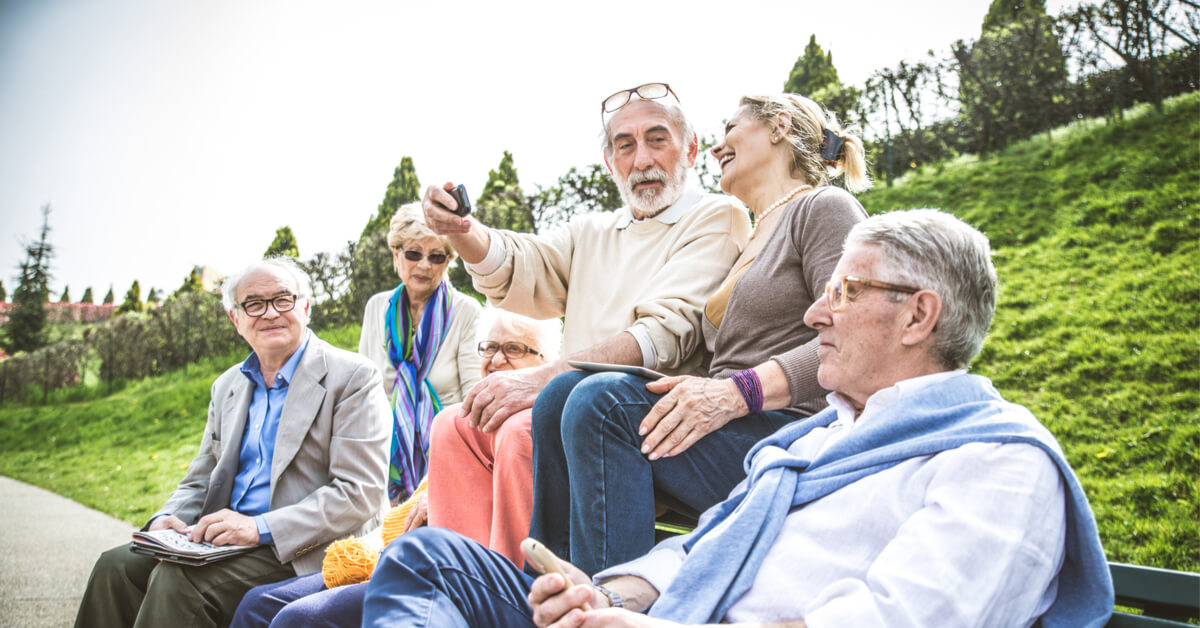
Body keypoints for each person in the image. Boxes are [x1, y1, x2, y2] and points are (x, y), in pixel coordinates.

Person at [358, 209, 1115, 628]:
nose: (817, 312)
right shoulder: (816, 440)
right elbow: (697, 553)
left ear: (918, 315)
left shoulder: (998, 467)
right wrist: (609, 598)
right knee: (429, 562)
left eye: (845, 292)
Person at [529, 93, 872, 573]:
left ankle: (607, 608)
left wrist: (738, 393)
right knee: (560, 396)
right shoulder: (754, 234)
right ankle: (550, 595)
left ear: (779, 126)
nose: (715, 148)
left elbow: (858, 336)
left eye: (731, 128)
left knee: (602, 404)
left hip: (794, 435)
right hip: (732, 432)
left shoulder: (824, 208)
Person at [74, 257, 391, 628]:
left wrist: (258, 527)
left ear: (305, 307)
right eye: (254, 304)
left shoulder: (352, 377)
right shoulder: (227, 386)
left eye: (283, 299)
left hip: (302, 546)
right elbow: (200, 477)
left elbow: (359, 492)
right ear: (235, 319)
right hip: (224, 543)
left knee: (179, 583)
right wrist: (163, 519)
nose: (270, 313)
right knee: (116, 566)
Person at [229, 308, 561, 628]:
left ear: (544, 364)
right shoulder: (465, 425)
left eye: (514, 349)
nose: (496, 359)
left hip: (439, 574)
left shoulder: (532, 430)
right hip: (390, 554)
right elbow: (406, 515)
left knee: (298, 618)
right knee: (257, 604)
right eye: (490, 347)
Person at [357, 202, 483, 505]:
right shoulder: (377, 307)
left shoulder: (466, 311)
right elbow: (362, 392)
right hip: (383, 454)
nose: (425, 265)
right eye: (414, 254)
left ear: (448, 261)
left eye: (436, 256)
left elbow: (473, 397)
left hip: (447, 454)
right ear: (396, 254)